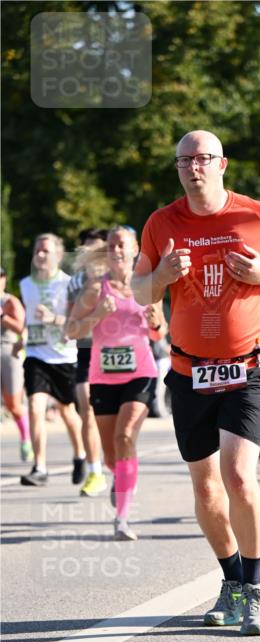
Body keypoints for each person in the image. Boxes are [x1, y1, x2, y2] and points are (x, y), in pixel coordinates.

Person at [131, 130, 260, 636]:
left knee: (237, 476)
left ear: (222, 163)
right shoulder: (161, 222)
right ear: (179, 167)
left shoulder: (256, 214)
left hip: (248, 367)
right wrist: (161, 274)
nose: (194, 167)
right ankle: (231, 579)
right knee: (207, 490)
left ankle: (254, 589)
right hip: (189, 371)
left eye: (204, 158)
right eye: (185, 160)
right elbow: (140, 289)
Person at [68, 226, 166, 541]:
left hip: (141, 373)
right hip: (103, 376)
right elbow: (71, 331)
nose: (117, 250)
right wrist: (96, 315)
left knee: (126, 436)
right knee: (112, 455)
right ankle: (121, 475)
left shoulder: (148, 287)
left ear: (135, 248)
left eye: (122, 244)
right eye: (112, 245)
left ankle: (122, 519)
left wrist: (155, 323)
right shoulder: (96, 289)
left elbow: (159, 333)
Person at [16, 233, 85, 487]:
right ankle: (40, 467)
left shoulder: (69, 285)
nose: (40, 255)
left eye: (46, 250)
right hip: (36, 356)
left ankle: (80, 455)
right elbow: (27, 322)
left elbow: (77, 323)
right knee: (35, 406)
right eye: (37, 250)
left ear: (58, 255)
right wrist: (20, 340)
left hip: (64, 357)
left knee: (67, 412)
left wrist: (52, 319)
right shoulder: (25, 284)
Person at [65, 227, 109, 497]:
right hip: (86, 348)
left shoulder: (122, 277)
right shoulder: (74, 282)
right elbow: (70, 321)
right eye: (87, 248)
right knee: (86, 406)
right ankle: (95, 471)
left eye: (98, 248)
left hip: (117, 351)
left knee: (115, 420)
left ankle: (118, 466)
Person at [0, 266, 32, 461]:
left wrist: (2, 316)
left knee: (13, 404)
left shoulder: (10, 301)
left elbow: (22, 327)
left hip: (8, 352)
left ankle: (26, 438)